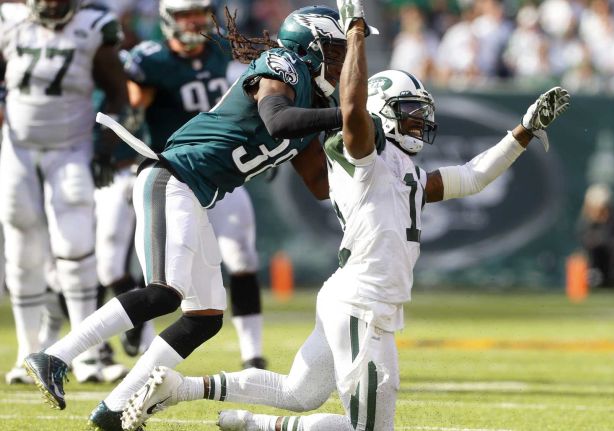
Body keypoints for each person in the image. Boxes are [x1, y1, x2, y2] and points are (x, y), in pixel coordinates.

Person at [118, 2, 570, 430]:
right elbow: (353, 111)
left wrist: (524, 132)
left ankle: (182, 388)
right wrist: (355, 37)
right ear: (382, 113)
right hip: (360, 303)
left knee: (298, 392)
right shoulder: (361, 152)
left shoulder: (403, 169)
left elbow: (472, 178)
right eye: (410, 113)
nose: (419, 123)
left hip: (362, 300)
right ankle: (253, 423)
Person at [24, 5, 347, 430]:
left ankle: (115, 409)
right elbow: (277, 118)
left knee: (206, 316)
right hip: (171, 176)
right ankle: (55, 356)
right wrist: (349, 115)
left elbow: (319, 185)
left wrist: (351, 142)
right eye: (337, 51)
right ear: (312, 46)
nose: (342, 62)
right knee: (165, 292)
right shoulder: (283, 64)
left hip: (195, 194)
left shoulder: (317, 102)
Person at [123, 0, 268, 369]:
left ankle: (252, 353)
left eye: (199, 13)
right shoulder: (151, 59)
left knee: (242, 256)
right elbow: (132, 102)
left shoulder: (226, 53)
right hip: (176, 174)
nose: (194, 21)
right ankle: (140, 338)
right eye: (185, 14)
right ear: (168, 20)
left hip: (224, 173)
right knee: (164, 266)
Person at [0, 0, 129, 385]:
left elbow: (117, 93)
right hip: (18, 148)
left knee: (75, 245)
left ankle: (85, 354)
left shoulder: (95, 25)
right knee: (21, 242)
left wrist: (106, 144)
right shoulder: (9, 20)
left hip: (71, 148)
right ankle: (27, 351)